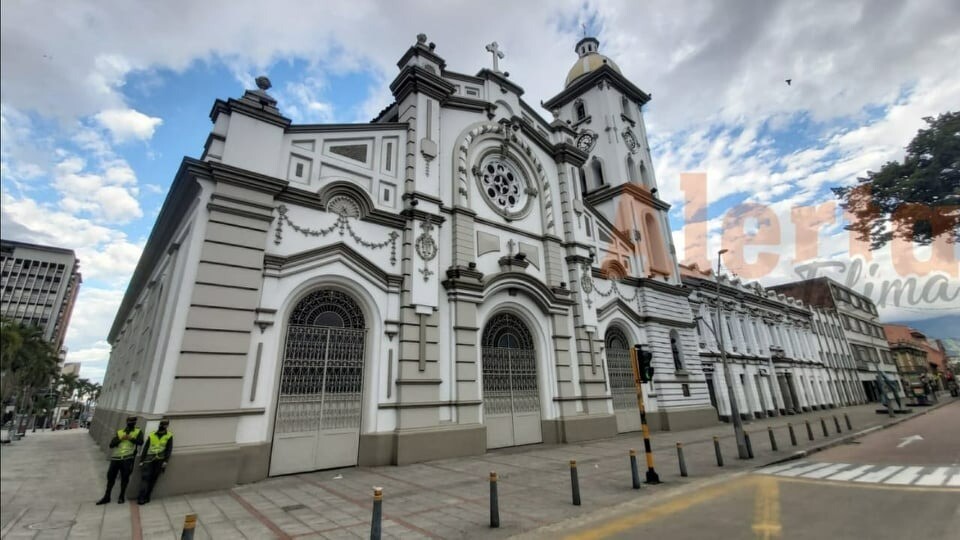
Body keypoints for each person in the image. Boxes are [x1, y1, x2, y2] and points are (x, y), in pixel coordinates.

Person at [97, 416, 143, 505]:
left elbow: (140, 442)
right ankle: (107, 496)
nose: (131, 422)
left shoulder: (138, 432)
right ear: (127, 421)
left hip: (128, 458)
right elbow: (111, 444)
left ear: (135, 422)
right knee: (110, 478)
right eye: (130, 421)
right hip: (116, 458)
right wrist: (121, 439)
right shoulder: (120, 432)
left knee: (125, 478)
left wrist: (131, 438)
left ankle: (121, 496)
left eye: (133, 421)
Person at [137, 419, 173, 505]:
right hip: (149, 459)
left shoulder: (169, 435)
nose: (163, 426)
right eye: (162, 424)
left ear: (167, 426)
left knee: (153, 479)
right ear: (159, 424)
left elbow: (169, 449)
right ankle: (141, 497)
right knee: (145, 478)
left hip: (160, 460)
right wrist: (142, 460)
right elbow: (145, 448)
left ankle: (147, 496)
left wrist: (165, 461)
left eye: (165, 424)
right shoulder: (152, 434)